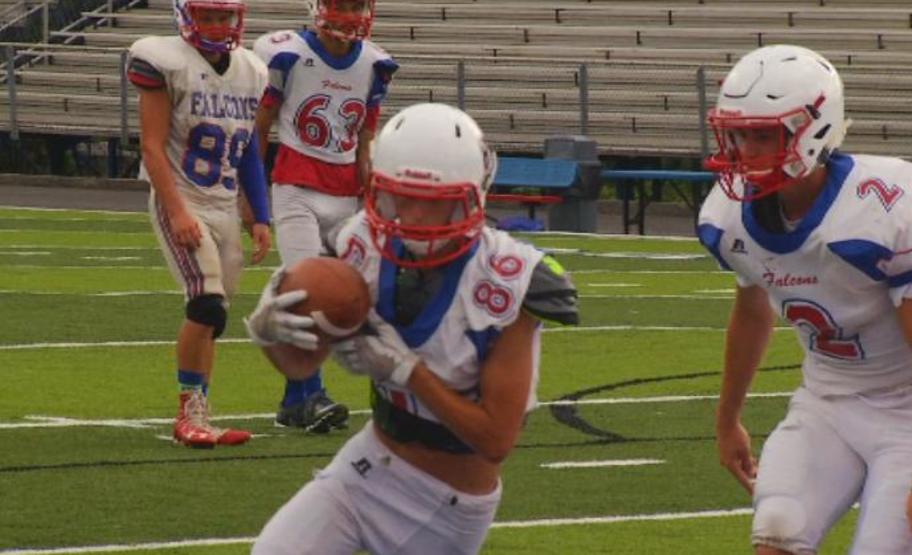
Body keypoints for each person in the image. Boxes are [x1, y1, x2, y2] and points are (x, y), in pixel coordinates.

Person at [245, 103, 579, 554]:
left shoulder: (507, 280)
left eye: (434, 203)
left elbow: (496, 439)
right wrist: (269, 331)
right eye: (402, 197)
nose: (415, 217)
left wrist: (408, 372)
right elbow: (301, 367)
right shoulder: (357, 242)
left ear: (473, 197)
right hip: (365, 466)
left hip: (446, 505)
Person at [697, 44, 912, 555]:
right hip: (826, 402)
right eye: (740, 135)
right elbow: (751, 315)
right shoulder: (726, 216)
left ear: (813, 129)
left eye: (765, 135)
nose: (748, 151)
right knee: (778, 526)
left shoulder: (887, 204)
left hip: (906, 409)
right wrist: (727, 418)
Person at [128, 0, 271, 448]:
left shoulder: (251, 70)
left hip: (224, 203)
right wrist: (177, 211)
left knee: (217, 315)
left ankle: (202, 413)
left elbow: (247, 148)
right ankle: (187, 413)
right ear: (186, 16)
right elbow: (152, 147)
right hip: (182, 196)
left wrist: (259, 214)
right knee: (205, 303)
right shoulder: (165, 60)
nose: (215, 25)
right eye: (206, 15)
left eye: (222, 16)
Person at [252, 0, 398, 434]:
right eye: (342, 4)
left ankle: (294, 403)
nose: (350, 15)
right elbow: (260, 128)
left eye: (357, 5)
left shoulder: (375, 63)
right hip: (295, 186)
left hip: (346, 196)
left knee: (353, 297)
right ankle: (312, 394)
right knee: (305, 291)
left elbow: (365, 141)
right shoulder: (288, 53)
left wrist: (370, 200)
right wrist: (253, 198)